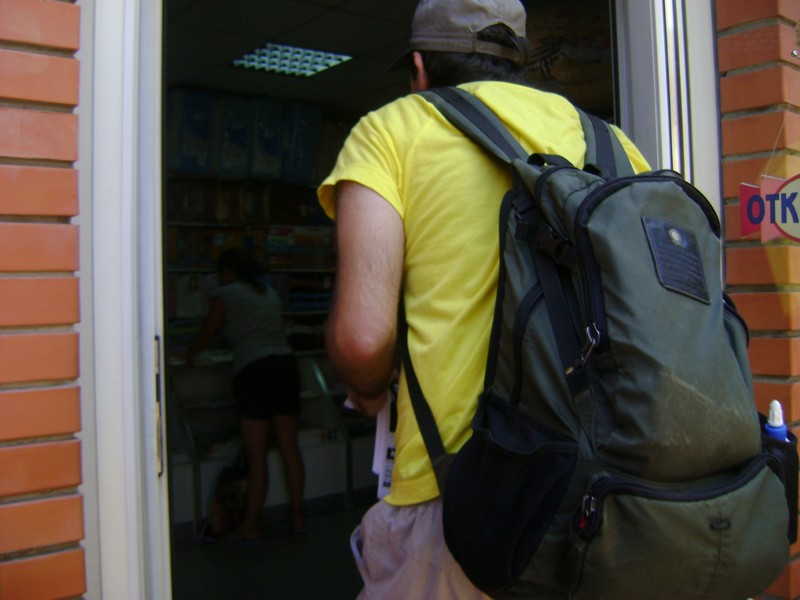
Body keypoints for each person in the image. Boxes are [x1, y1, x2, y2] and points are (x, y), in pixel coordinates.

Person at [317, 0, 651, 597]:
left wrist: (367, 390)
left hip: (463, 501)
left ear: (419, 68)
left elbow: (362, 340)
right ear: (519, 62)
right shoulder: (612, 143)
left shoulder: (391, 130)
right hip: (611, 495)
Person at [188, 248, 306, 543]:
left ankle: (250, 527)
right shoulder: (268, 292)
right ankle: (298, 518)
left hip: (254, 370)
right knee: (290, 448)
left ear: (228, 271)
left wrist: (188, 353)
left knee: (256, 455)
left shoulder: (225, 294)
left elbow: (206, 335)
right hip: (285, 365)